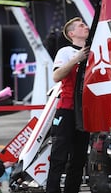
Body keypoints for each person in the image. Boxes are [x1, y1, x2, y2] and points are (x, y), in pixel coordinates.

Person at [46, 17, 90, 193]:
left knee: (79, 160)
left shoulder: (93, 51)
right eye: (81, 26)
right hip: (66, 109)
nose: (85, 27)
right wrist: (76, 59)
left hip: (84, 112)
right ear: (72, 34)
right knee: (59, 157)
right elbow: (56, 77)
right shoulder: (65, 51)